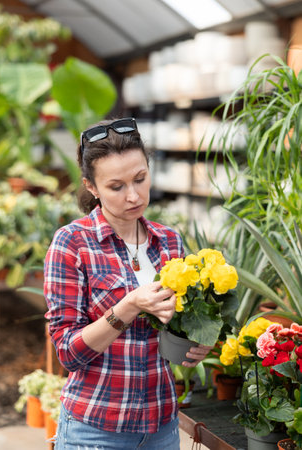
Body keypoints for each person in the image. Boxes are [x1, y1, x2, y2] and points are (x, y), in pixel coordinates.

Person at [44, 117, 212, 450]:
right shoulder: (73, 243)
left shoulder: (168, 242)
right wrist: (129, 305)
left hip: (161, 427)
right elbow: (67, 353)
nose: (133, 196)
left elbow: (172, 335)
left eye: (140, 179)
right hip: (95, 430)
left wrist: (197, 343)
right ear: (92, 187)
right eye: (116, 186)